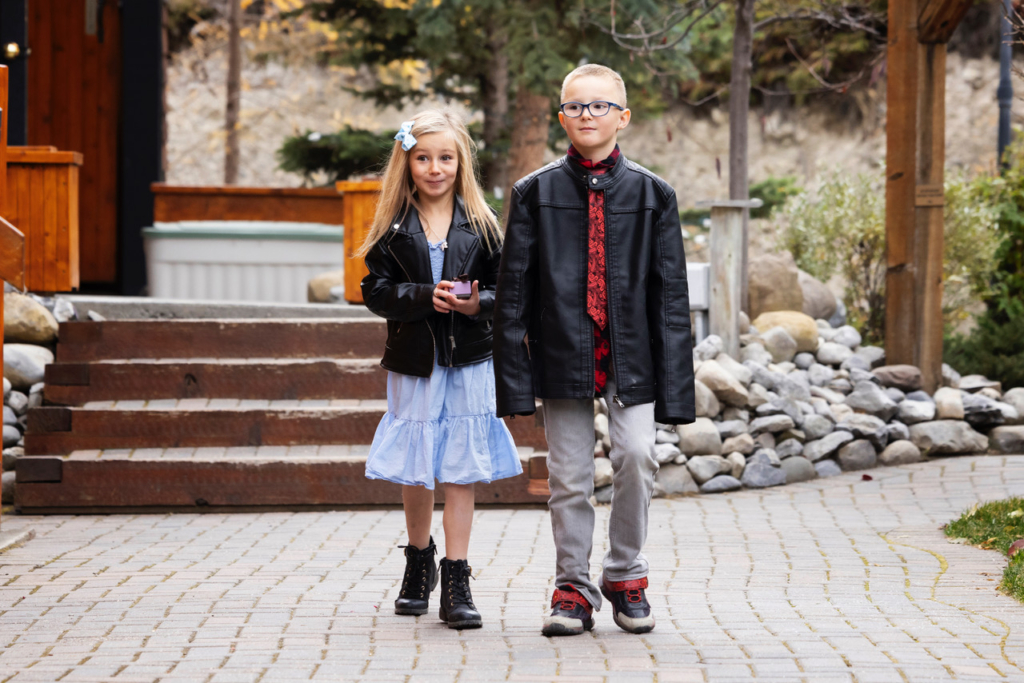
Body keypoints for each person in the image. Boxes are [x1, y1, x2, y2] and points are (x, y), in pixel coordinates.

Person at [493, 64, 696, 636]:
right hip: (562, 353)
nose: (588, 115)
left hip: (633, 358)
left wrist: (677, 388)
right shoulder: (534, 192)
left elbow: (671, 296)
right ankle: (573, 589)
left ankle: (625, 574)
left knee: (637, 456)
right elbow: (514, 294)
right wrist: (513, 380)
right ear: (562, 117)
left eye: (600, 106)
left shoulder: (655, 194)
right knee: (569, 476)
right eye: (576, 106)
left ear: (623, 118)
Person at [360, 109, 522, 630]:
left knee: (459, 467)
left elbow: (507, 291)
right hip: (416, 363)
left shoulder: (483, 225)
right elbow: (376, 293)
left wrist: (478, 304)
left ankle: (456, 576)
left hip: (469, 362)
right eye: (423, 158)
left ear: (461, 163)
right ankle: (417, 560)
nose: (435, 168)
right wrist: (427, 296)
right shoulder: (392, 228)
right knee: (417, 463)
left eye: (446, 158)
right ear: (407, 163)